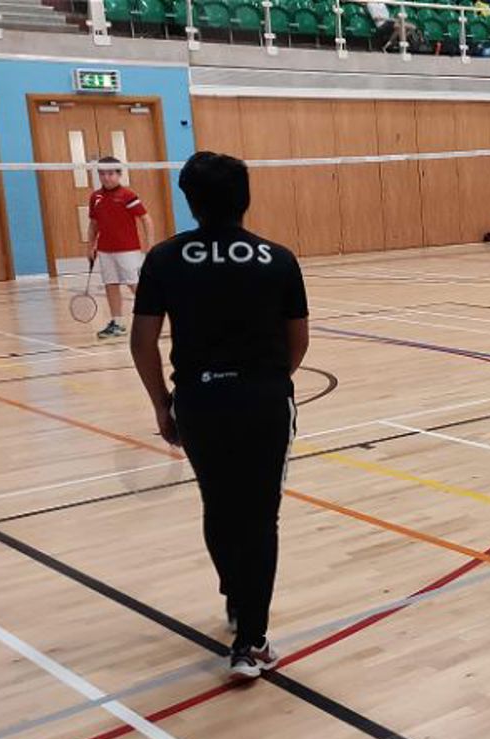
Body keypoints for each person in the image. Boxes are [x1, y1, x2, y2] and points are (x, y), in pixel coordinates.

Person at [130, 152, 310, 678]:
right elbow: (297, 341)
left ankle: (236, 595)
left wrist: (162, 404)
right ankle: (251, 642)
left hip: (200, 402)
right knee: (260, 518)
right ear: (244, 198)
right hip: (261, 402)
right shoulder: (278, 259)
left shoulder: (164, 258)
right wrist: (269, 381)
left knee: (218, 504)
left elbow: (143, 342)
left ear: (190, 201)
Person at [87, 156, 154, 339]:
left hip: (128, 250)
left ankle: (151, 320)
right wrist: (90, 245)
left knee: (135, 285)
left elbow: (146, 219)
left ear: (119, 174)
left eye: (110, 173)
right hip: (105, 250)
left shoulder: (128, 195)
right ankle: (117, 323)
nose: (106, 177)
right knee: (111, 285)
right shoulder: (96, 197)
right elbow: (93, 224)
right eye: (102, 174)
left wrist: (150, 244)